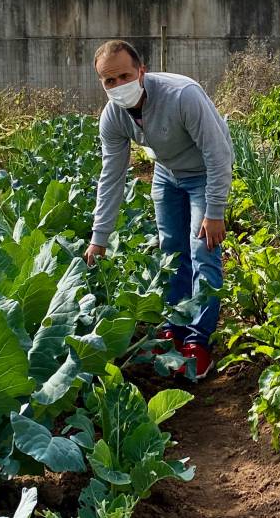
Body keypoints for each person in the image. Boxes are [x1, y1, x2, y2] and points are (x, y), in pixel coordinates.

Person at [86, 40, 233, 379]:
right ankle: (175, 329)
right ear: (102, 84)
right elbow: (112, 176)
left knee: (203, 252)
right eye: (109, 81)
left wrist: (214, 212)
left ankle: (198, 342)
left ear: (141, 71)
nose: (118, 85)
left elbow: (218, 154)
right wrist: (99, 237)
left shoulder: (183, 95)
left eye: (125, 75)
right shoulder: (113, 117)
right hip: (167, 174)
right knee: (170, 252)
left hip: (203, 174)